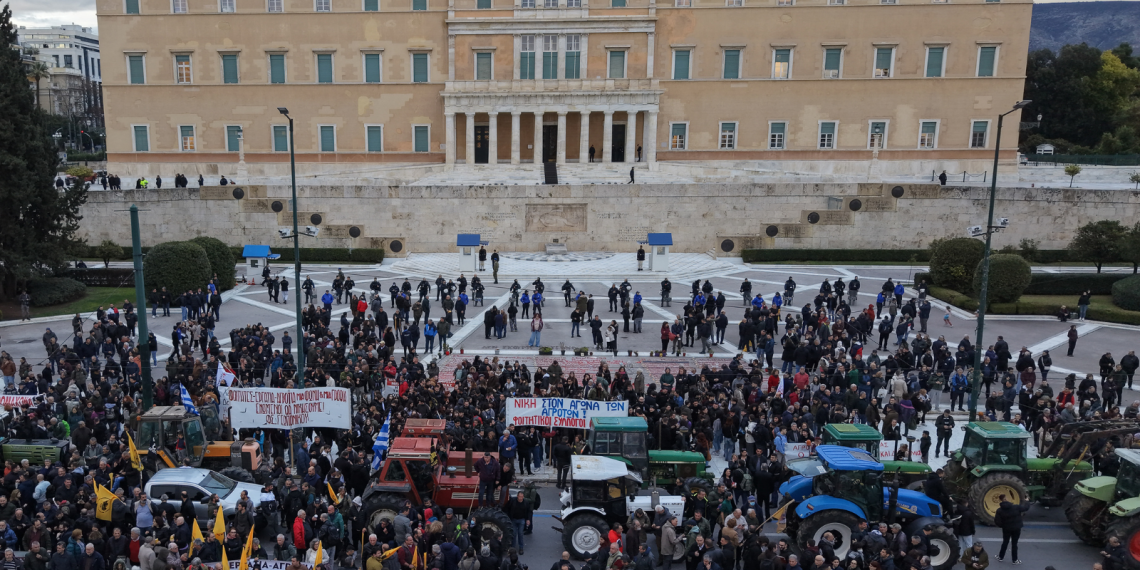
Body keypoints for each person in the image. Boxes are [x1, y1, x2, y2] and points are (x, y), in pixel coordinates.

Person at [993, 493, 1029, 564]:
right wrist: (1027, 501)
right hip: (1016, 528)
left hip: (1006, 528)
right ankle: (1015, 560)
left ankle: (1000, 557)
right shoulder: (1016, 507)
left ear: (1001, 500)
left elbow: (997, 521)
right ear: (1006, 499)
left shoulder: (999, 510)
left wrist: (1003, 525)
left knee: (1005, 542)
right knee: (1014, 544)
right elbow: (1026, 508)